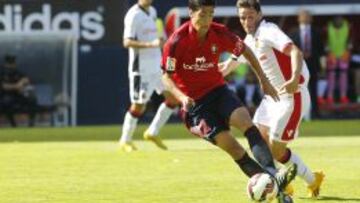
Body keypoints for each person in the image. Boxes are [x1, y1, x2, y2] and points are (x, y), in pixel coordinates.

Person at [161, 0, 296, 202]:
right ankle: (276, 188)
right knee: (234, 149)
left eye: (210, 14)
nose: (207, 20)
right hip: (196, 107)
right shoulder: (176, 42)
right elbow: (166, 76)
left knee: (247, 124)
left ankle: (274, 178)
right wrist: (181, 97)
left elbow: (246, 51)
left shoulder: (220, 32)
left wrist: (264, 80)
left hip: (219, 91)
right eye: (202, 14)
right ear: (191, 12)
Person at [221, 0, 324, 198]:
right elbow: (228, 66)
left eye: (250, 16)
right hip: (272, 99)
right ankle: (289, 182)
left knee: (276, 149)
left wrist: (294, 78)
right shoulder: (250, 39)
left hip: (292, 96)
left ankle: (303, 180)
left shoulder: (269, 31)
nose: (246, 21)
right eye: (242, 17)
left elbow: (295, 51)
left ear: (259, 14)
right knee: (260, 143)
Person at [119, 0, 178, 152]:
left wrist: (161, 42)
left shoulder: (152, 11)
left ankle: (152, 132)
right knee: (139, 105)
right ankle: (125, 140)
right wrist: (151, 44)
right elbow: (126, 42)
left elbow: (159, 37)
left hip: (157, 66)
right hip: (141, 68)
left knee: (174, 97)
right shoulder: (133, 15)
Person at [290, 9, 325, 118]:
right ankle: (299, 114)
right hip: (299, 65)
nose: (305, 18)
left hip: (313, 65)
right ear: (298, 18)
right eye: (303, 16)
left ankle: (315, 114)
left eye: (307, 16)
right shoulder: (293, 33)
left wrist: (322, 66)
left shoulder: (316, 32)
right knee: (299, 89)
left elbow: (321, 50)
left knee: (313, 89)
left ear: (311, 18)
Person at [0, 54, 38, 127]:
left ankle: (31, 123)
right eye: (9, 63)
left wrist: (21, 83)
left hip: (18, 94)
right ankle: (13, 124)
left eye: (13, 63)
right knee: (6, 102)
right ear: (5, 64)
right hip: (6, 95)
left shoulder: (17, 71)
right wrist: (16, 86)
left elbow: (27, 79)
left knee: (32, 99)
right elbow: (3, 86)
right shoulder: (2, 72)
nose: (11, 66)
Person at [325, 16, 352, 104]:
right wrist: (328, 52)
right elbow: (326, 41)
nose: (338, 21)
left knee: (343, 76)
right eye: (336, 19)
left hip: (343, 54)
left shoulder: (347, 26)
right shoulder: (328, 27)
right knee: (331, 76)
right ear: (333, 20)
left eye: (340, 19)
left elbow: (350, 40)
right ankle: (330, 97)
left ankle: (343, 96)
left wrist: (348, 51)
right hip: (331, 54)